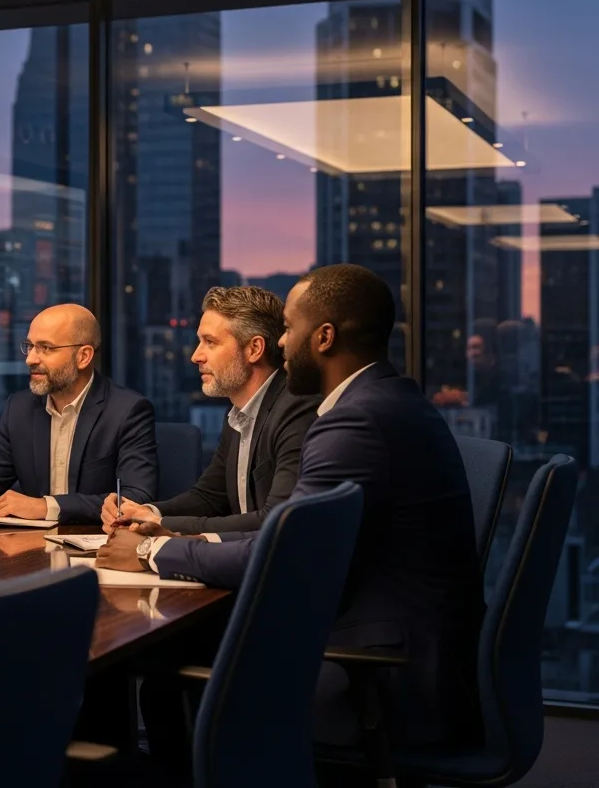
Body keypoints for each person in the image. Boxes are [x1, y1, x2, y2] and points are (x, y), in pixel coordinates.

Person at [99, 264, 483, 751]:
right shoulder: (387, 401)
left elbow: (280, 552)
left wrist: (151, 550)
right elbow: (274, 531)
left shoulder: (354, 424)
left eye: (290, 329)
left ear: (323, 337)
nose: (282, 343)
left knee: (171, 665)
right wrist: (158, 526)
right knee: (176, 662)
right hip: (399, 641)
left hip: (386, 667)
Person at [100, 286, 318, 537]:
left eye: (210, 342)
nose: (195, 356)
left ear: (254, 349)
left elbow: (276, 518)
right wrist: (144, 512)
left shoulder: (297, 409)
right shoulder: (240, 411)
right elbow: (209, 496)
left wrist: (163, 526)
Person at [0, 303, 157, 525]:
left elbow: (136, 499)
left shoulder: (128, 410)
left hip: (98, 551)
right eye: (29, 346)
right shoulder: (19, 409)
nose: (30, 359)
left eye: (45, 348)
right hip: (30, 551)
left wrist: (45, 506)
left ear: (83, 357)